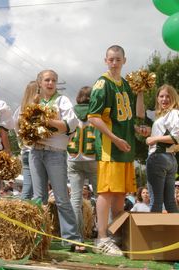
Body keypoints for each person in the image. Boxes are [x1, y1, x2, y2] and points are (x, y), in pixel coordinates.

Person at [88, 45, 145, 256]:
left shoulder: (126, 85)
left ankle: (115, 233)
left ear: (124, 61)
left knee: (121, 194)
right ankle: (101, 237)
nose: (114, 63)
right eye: (111, 59)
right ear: (105, 60)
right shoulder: (103, 84)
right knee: (106, 191)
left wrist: (137, 128)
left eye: (118, 59)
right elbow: (93, 118)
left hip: (125, 147)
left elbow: (135, 115)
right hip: (110, 147)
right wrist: (115, 138)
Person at [28, 69, 83, 252]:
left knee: (61, 198)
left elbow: (70, 125)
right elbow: (25, 127)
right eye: (47, 80)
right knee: (38, 198)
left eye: (53, 80)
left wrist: (46, 121)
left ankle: (72, 239)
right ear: (40, 83)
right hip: (35, 151)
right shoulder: (33, 102)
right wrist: (53, 123)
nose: (50, 83)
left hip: (55, 152)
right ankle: (38, 238)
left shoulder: (62, 100)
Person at [67, 86, 98, 243]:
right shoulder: (96, 112)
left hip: (73, 158)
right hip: (93, 158)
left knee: (75, 200)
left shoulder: (70, 111)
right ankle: (104, 235)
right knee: (101, 198)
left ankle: (77, 237)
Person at [145, 84, 179, 213]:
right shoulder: (164, 115)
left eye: (168, 96)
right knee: (170, 202)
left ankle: (153, 233)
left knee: (156, 201)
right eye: (161, 96)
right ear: (157, 99)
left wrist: (154, 139)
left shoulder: (174, 112)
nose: (164, 99)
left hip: (158, 157)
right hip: (170, 159)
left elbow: (176, 136)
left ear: (173, 98)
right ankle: (174, 233)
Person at [13, 81, 37, 200]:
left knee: (28, 186)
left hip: (24, 151)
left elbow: (16, 129)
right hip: (35, 151)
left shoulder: (19, 110)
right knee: (37, 188)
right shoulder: (37, 109)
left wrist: (22, 143)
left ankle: (24, 210)